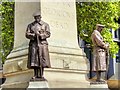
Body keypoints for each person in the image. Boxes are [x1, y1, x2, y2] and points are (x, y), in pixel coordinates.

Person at [25, 11, 51, 81]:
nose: (37, 19)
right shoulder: (30, 25)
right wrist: (33, 35)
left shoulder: (45, 25)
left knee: (42, 60)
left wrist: (41, 35)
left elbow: (48, 33)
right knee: (34, 60)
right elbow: (27, 34)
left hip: (42, 44)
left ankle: (42, 74)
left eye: (38, 17)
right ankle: (35, 74)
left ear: (40, 17)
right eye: (36, 18)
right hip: (34, 44)